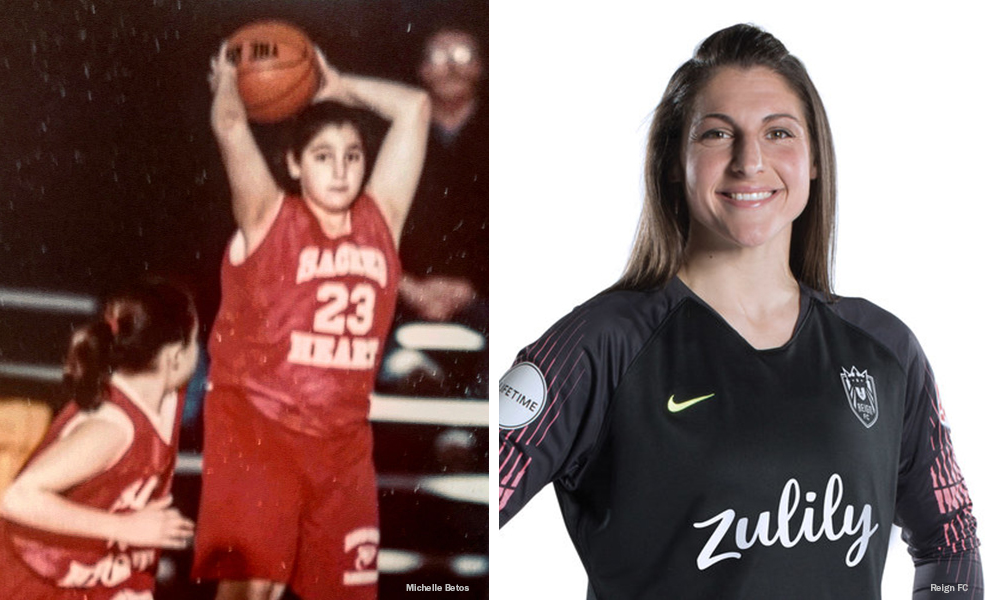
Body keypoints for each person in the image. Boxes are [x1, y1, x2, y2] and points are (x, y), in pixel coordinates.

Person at [497, 24, 981, 599]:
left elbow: (950, 541)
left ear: (815, 160)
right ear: (675, 162)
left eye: (779, 133)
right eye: (718, 134)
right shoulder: (600, 346)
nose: (750, 162)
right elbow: (447, 511)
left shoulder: (884, 349)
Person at [193, 39, 429, 600]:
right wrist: (229, 79)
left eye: (353, 154)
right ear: (295, 164)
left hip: (342, 445)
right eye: (323, 155)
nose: (342, 169)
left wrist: (336, 84)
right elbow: (230, 127)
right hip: (259, 432)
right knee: (253, 592)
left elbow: (415, 108)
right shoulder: (267, 215)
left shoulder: (382, 218)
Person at [0, 278, 200, 599]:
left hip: (63, 581)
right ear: (174, 357)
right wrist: (126, 529)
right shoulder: (114, 428)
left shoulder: (157, 407)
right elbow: (19, 498)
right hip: (17, 580)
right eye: (197, 341)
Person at [382, 25, 488, 397]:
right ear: (422, 70)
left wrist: (471, 286)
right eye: (440, 58)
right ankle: (412, 376)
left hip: (481, 291)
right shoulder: (392, 138)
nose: (451, 68)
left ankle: (465, 432)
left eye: (462, 56)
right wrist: (407, 285)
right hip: (406, 287)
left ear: (481, 67)